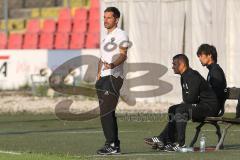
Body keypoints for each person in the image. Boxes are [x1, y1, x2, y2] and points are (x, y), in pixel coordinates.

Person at [144, 54, 218, 151]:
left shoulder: (192, 76)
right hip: (201, 105)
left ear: (182, 64)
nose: (172, 67)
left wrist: (184, 105)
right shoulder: (184, 76)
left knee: (181, 109)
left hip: (209, 108)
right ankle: (167, 140)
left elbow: (191, 99)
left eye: (174, 64)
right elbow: (188, 98)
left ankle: (180, 143)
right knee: (173, 109)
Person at [95, 7, 129, 155]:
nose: (105, 20)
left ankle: (112, 144)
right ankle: (114, 144)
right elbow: (101, 58)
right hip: (103, 78)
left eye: (109, 17)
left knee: (106, 112)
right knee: (107, 112)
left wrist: (113, 65)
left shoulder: (121, 34)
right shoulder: (105, 37)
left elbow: (123, 55)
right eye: (104, 17)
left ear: (116, 19)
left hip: (114, 77)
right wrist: (98, 74)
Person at [196, 44, 227, 116]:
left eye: (201, 55)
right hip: (209, 106)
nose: (199, 58)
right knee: (182, 108)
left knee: (182, 110)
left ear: (209, 55)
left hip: (211, 108)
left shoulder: (215, 71)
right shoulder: (213, 70)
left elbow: (216, 94)